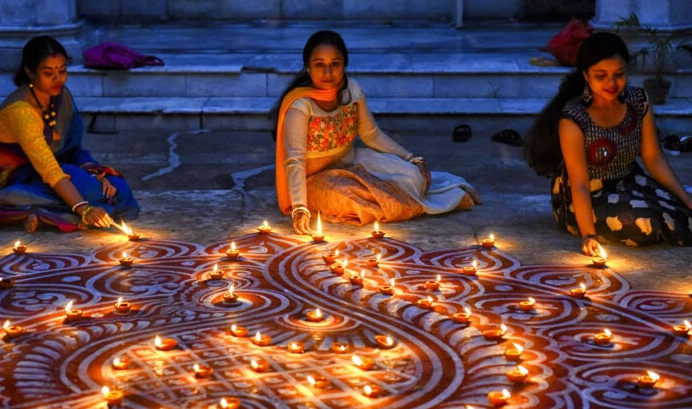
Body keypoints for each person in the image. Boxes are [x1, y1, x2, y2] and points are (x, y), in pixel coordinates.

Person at [274, 30, 479, 235]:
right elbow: (295, 160)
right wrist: (299, 207)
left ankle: (396, 196)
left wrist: (410, 158)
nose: (328, 72)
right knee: (353, 198)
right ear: (308, 68)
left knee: (415, 177)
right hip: (313, 178)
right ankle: (396, 202)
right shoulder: (301, 106)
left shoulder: (351, 90)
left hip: (350, 161)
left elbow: (371, 134)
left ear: (344, 65)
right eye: (319, 64)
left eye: (335, 64)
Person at [525, 31, 692, 254]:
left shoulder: (638, 101)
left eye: (619, 74)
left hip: (630, 182)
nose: (611, 83)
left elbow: (653, 158)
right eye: (601, 75)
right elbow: (580, 184)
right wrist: (589, 235)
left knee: (681, 211)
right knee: (640, 221)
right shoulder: (574, 117)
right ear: (586, 75)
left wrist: (686, 198)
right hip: (585, 198)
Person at [0, 35, 140, 235]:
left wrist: (95, 175)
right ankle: (1, 211)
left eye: (62, 70)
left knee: (119, 189)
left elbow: (72, 149)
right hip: (16, 179)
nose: (58, 79)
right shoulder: (21, 111)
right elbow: (48, 168)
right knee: (90, 192)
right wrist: (85, 208)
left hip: (59, 170)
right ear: (29, 72)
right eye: (48, 73)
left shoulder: (61, 95)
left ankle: (42, 216)